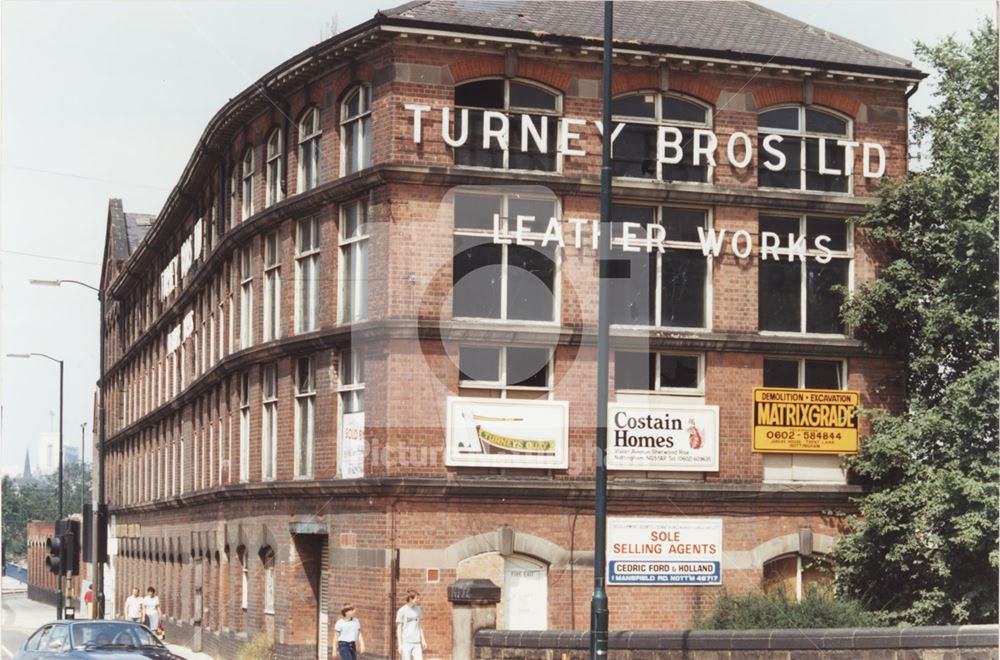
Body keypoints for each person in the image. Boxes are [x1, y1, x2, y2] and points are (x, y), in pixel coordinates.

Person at [395, 590, 426, 660]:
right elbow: (399, 629)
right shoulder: (401, 611)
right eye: (416, 598)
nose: (418, 600)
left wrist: (423, 640)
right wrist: (400, 645)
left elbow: (419, 626)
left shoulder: (418, 609)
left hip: (417, 643)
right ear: (411, 599)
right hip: (406, 643)